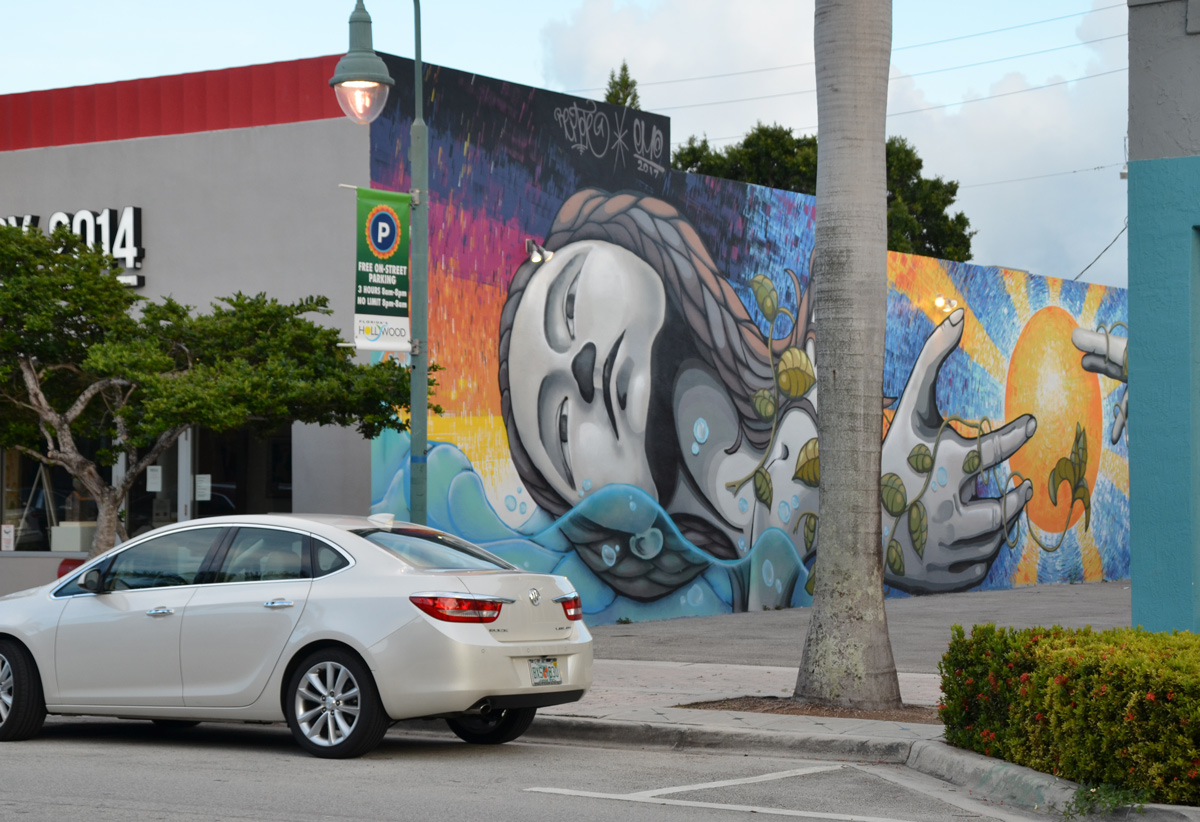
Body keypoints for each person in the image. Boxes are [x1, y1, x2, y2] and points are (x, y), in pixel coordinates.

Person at [498, 188, 1034, 596]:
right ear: (591, 522)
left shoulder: (815, 383)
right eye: (561, 425)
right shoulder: (739, 590)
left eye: (569, 308)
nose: (584, 368)